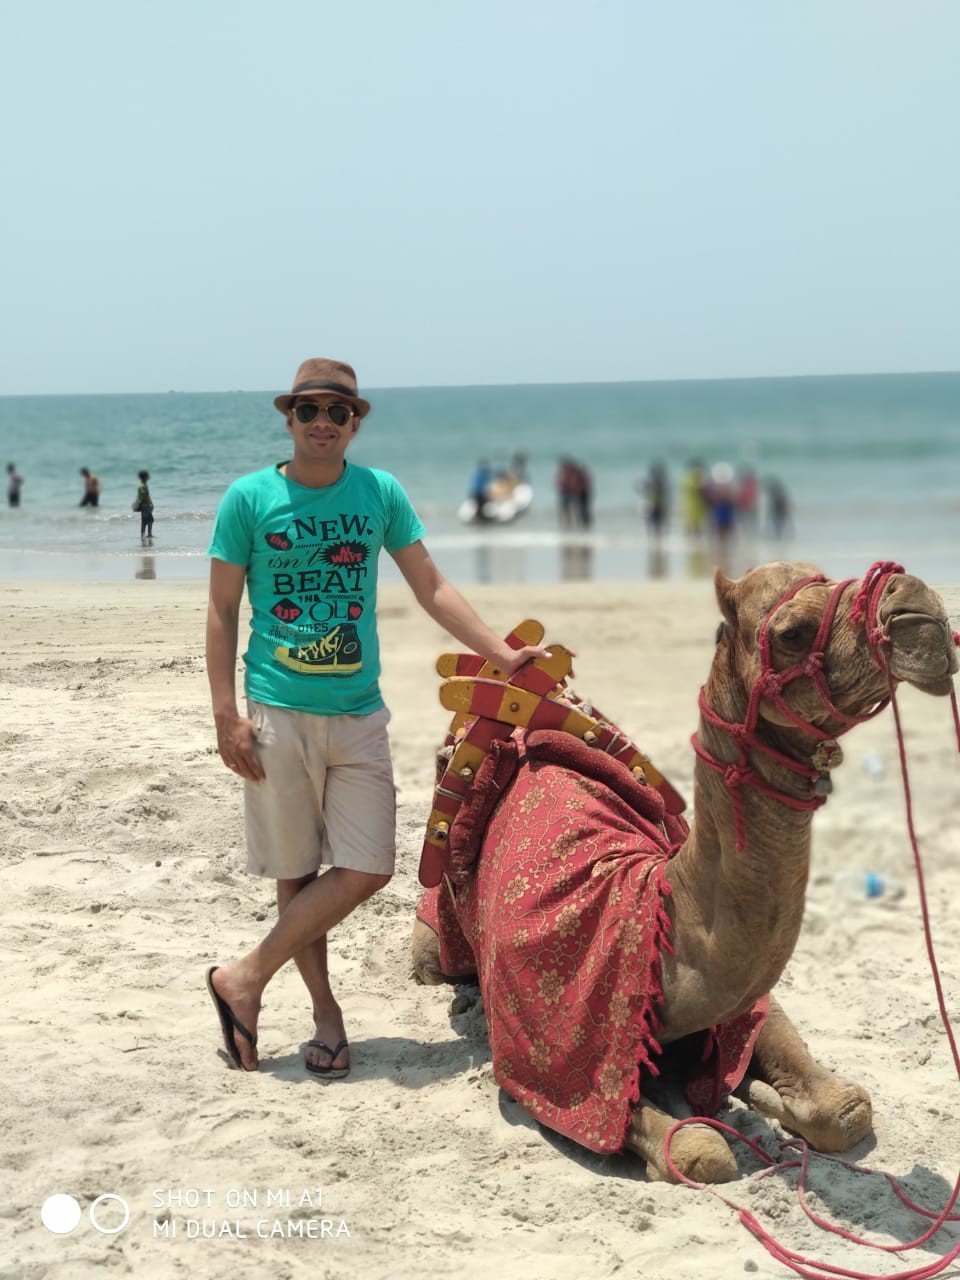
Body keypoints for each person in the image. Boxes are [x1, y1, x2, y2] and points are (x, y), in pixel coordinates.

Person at [204, 358, 550, 1076]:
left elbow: (431, 585)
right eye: (309, 409)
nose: (323, 422)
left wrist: (501, 653)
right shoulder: (249, 498)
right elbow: (222, 607)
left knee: (368, 866)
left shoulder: (379, 493)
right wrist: (225, 714)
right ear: (289, 417)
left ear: (355, 423)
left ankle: (243, 976)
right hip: (276, 710)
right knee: (297, 871)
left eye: (338, 411)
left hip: (360, 712)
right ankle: (325, 1017)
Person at [135, 470, 155, 541]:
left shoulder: (141, 485)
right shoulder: (143, 486)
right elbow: (145, 496)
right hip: (145, 505)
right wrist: (150, 503)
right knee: (150, 520)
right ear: (145, 477)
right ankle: (149, 534)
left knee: (144, 521)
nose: (149, 477)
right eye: (147, 476)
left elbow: (143, 496)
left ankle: (143, 535)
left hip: (143, 505)